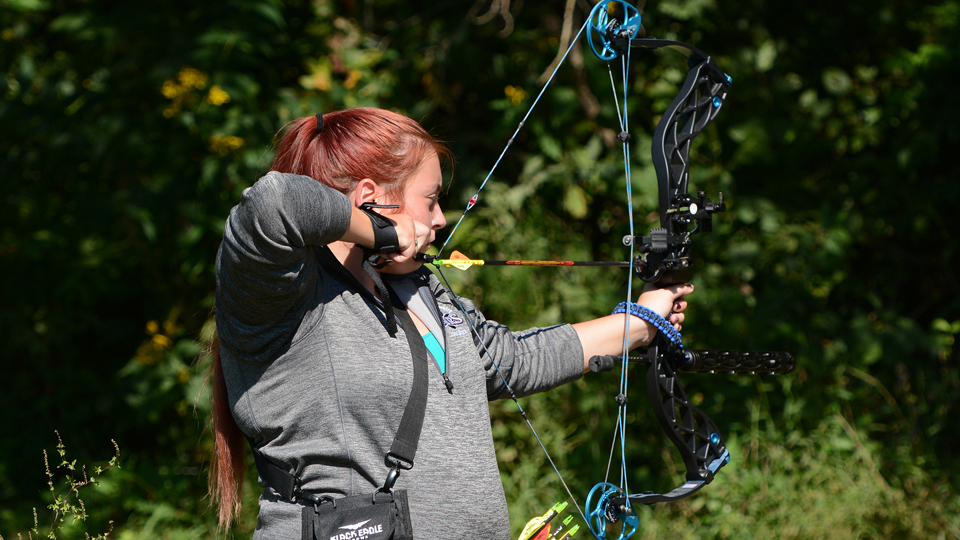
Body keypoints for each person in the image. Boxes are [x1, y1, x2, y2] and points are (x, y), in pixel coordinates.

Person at [209, 107, 693, 539]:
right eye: (431, 199)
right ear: (370, 197)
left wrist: (646, 318)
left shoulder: (415, 290)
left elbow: (516, 359)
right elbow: (274, 203)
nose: (440, 219)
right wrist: (381, 230)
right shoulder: (283, 295)